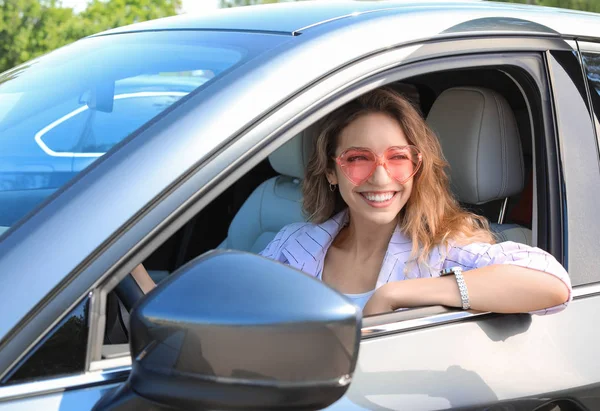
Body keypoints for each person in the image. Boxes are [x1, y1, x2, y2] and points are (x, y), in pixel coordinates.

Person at [260, 87, 571, 316]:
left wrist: (395, 294)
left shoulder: (441, 251)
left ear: (416, 167)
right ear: (330, 171)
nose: (380, 178)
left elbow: (552, 283)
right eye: (357, 158)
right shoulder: (293, 243)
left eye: (397, 157)